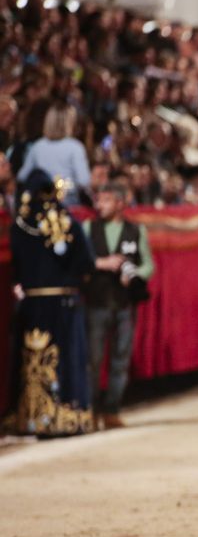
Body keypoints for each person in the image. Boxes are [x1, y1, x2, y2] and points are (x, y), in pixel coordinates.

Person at [5, 169, 95, 437]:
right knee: (65, 358)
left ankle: (31, 417)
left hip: (32, 305)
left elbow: (16, 267)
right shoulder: (68, 221)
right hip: (64, 302)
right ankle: (65, 415)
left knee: (31, 362)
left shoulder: (19, 226)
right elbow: (86, 263)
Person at [83, 182, 154, 430]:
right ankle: (90, 411)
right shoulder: (89, 227)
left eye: (105, 200)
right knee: (93, 359)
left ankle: (111, 410)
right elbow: (81, 259)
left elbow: (149, 265)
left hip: (124, 303)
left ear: (120, 203)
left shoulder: (136, 230)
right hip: (97, 301)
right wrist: (102, 263)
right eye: (98, 200)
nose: (99, 205)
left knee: (120, 359)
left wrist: (132, 272)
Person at [16, 101, 91, 207]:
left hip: (41, 206)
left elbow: (22, 177)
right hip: (69, 207)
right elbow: (84, 181)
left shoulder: (38, 146)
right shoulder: (75, 147)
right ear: (70, 123)